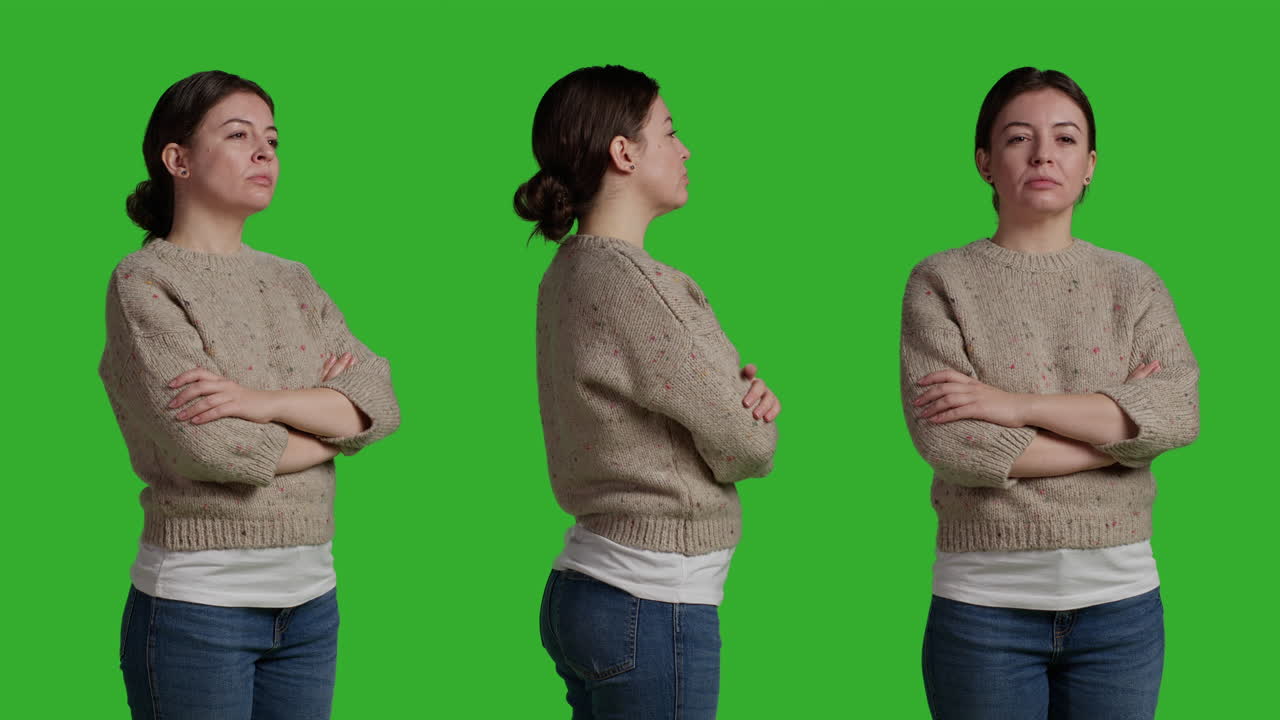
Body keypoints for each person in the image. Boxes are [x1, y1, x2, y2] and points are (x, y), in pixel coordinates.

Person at [899, 66, 1199, 719]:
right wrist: (1119, 436)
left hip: (1122, 610)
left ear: (1090, 164)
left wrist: (1014, 406)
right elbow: (956, 445)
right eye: (1017, 138)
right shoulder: (940, 281)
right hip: (983, 611)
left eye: (1065, 139)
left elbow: (1175, 412)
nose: (1043, 154)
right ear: (984, 160)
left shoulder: (1135, 283)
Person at [100, 70, 400, 719]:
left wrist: (259, 403)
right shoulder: (144, 282)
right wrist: (331, 423)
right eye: (238, 135)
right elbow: (210, 444)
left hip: (312, 604)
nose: (264, 152)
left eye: (271, 138)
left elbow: (379, 401)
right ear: (176, 160)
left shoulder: (293, 280)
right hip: (198, 612)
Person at [514, 65, 781, 718]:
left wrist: (732, 404)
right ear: (623, 151)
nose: (685, 149)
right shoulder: (639, 284)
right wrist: (756, 416)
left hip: (592, 588)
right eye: (670, 130)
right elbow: (748, 445)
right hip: (653, 598)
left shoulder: (569, 271)